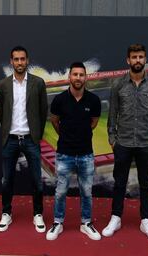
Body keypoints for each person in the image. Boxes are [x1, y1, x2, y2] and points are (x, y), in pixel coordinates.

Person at [104, 43, 148, 242]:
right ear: (127, 60)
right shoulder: (117, 84)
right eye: (134, 57)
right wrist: (112, 140)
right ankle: (116, 217)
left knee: (146, 185)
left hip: (146, 143)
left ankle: (146, 220)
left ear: (145, 59)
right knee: (119, 183)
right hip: (123, 143)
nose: (137, 60)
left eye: (141, 57)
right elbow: (112, 114)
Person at [46, 62, 102, 241]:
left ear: (86, 77)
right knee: (60, 191)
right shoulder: (60, 100)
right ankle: (58, 222)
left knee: (86, 191)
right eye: (75, 74)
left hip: (86, 154)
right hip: (64, 154)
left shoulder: (93, 100)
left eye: (81, 75)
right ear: (69, 77)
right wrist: (66, 135)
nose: (78, 78)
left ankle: (86, 223)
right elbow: (55, 121)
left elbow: (93, 122)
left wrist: (82, 134)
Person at [0, 46, 48, 233]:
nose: (19, 62)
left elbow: (43, 112)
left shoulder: (38, 83)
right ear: (11, 61)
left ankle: (38, 213)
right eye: (16, 59)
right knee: (7, 179)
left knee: (36, 179)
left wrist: (36, 134)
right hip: (10, 139)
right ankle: (6, 213)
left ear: (27, 60)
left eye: (22, 59)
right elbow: (2, 113)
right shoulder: (3, 84)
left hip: (30, 139)